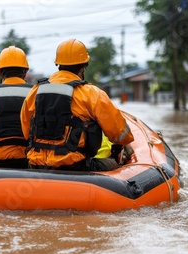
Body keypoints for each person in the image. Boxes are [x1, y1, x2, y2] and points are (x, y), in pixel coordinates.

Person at [20, 38, 134, 171]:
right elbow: (120, 134)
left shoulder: (36, 90)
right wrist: (124, 145)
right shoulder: (91, 93)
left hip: (36, 165)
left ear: (58, 64)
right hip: (77, 167)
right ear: (83, 67)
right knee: (114, 164)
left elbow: (26, 129)